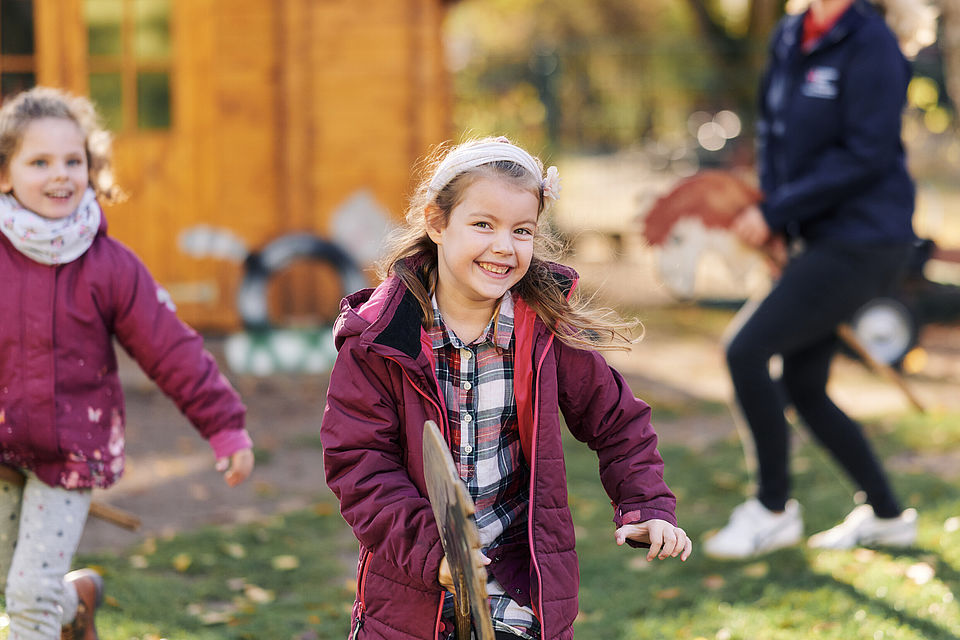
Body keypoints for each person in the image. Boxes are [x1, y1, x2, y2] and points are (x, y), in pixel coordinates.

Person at [321, 136, 691, 639]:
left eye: (522, 230)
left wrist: (645, 503)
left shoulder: (544, 333)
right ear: (436, 222)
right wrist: (438, 551)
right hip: (412, 590)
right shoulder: (378, 340)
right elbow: (359, 462)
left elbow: (617, 421)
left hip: (522, 590)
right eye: (482, 225)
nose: (503, 246)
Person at [0, 86, 255, 638]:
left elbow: (170, 346)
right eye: (39, 161)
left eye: (74, 160)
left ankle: (52, 603)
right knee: (14, 584)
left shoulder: (108, 265)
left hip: (69, 452)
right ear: (5, 174)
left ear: (92, 168)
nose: (60, 174)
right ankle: (78, 599)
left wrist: (225, 426)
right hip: (1, 446)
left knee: (27, 598)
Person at [703, 0, 936, 559]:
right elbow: (775, 136)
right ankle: (886, 516)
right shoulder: (791, 32)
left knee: (745, 350)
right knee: (804, 387)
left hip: (864, 240)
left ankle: (773, 508)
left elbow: (866, 155)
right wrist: (776, 219)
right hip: (815, 238)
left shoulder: (871, 41)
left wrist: (779, 212)